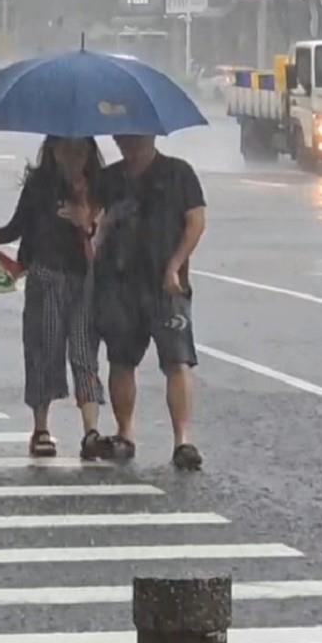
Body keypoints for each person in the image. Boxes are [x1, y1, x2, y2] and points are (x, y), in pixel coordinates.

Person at [0, 136, 107, 459]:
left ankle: (91, 432)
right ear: (52, 150)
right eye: (66, 149)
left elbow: (109, 234)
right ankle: (41, 428)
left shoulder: (100, 186)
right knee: (44, 349)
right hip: (46, 276)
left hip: (85, 280)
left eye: (80, 150)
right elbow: (19, 226)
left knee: (85, 353)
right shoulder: (40, 186)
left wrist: (86, 222)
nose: (73, 157)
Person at [93, 134, 206, 470]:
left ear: (153, 136)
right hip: (119, 282)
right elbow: (94, 226)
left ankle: (183, 440)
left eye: (138, 137)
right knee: (121, 360)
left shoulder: (177, 173)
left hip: (166, 285)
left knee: (177, 360)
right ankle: (124, 433)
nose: (131, 143)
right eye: (125, 137)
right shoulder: (109, 179)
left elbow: (196, 221)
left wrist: (175, 264)